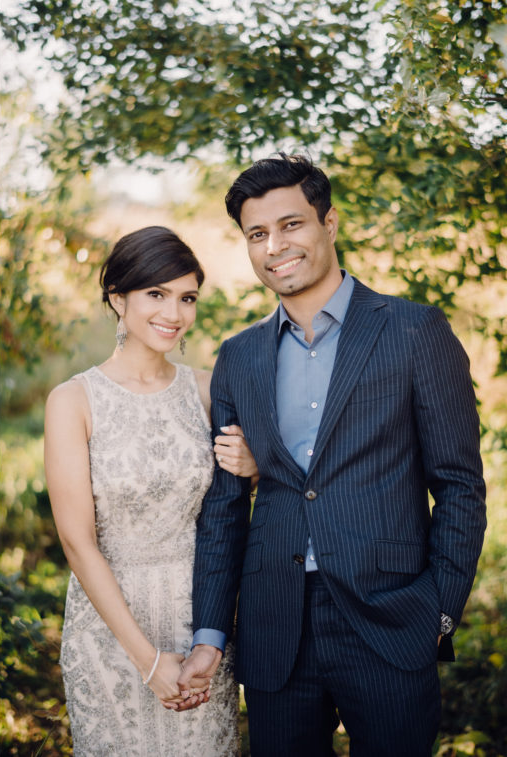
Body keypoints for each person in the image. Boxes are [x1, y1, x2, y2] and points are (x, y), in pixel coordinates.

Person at [178, 153, 487, 756]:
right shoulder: (237, 357)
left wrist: (440, 613)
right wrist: (211, 631)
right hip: (274, 626)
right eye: (257, 234)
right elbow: (224, 506)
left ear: (330, 223)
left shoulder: (413, 330)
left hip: (392, 621)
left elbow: (458, 485)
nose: (275, 246)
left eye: (291, 224)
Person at [43, 226, 259, 756]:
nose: (174, 313)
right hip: (112, 630)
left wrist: (257, 466)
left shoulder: (209, 390)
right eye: (156, 294)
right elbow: (77, 543)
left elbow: (236, 506)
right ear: (118, 298)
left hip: (200, 621)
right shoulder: (73, 400)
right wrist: (148, 660)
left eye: (187, 298)